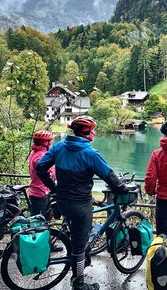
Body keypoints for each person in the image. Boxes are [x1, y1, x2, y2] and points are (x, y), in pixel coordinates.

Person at [36, 115, 128, 290]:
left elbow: (40, 167)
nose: (93, 132)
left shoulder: (58, 147)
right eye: (92, 130)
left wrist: (53, 187)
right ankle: (78, 283)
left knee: (76, 235)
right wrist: (121, 189)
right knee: (79, 246)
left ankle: (78, 258)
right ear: (87, 133)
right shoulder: (90, 153)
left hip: (62, 201)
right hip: (80, 205)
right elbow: (109, 176)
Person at [28, 130, 56, 216]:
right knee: (39, 222)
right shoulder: (41, 156)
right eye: (49, 141)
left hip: (36, 190)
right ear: (45, 143)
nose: (51, 143)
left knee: (40, 219)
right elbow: (47, 173)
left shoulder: (35, 152)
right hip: (41, 192)